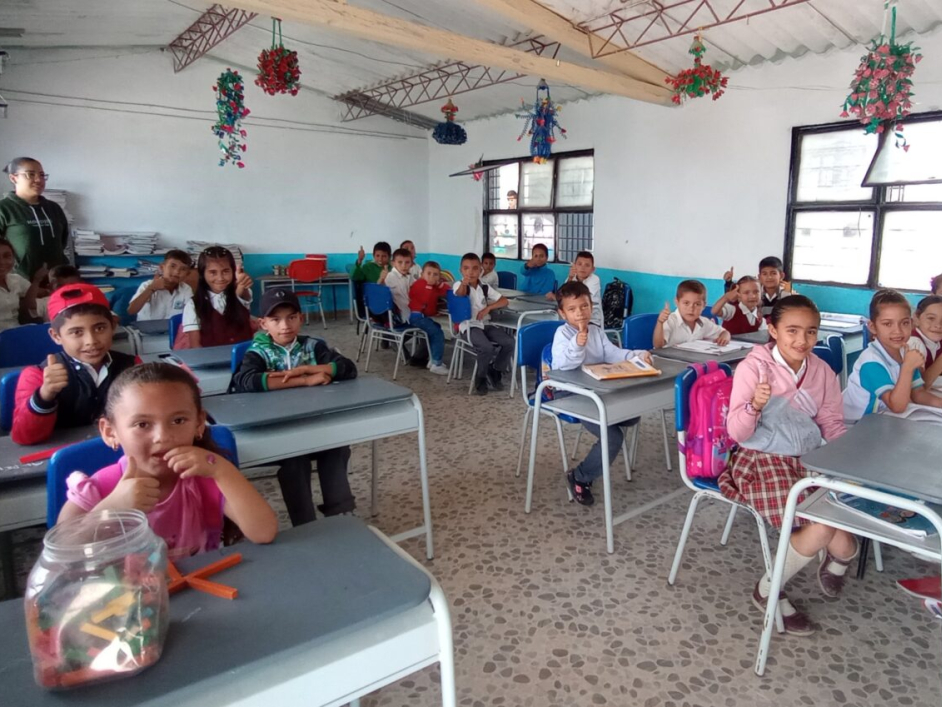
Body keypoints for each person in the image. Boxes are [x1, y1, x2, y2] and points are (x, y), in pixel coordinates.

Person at [718, 295, 856, 636]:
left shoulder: (821, 371)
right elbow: (737, 432)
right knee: (822, 527)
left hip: (807, 457)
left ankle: (832, 558)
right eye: (792, 330)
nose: (802, 340)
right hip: (759, 458)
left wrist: (846, 462)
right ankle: (767, 590)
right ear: (773, 330)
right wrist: (754, 406)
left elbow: (831, 422)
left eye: (811, 332)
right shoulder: (754, 368)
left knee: (846, 543)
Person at [58, 363, 277, 556]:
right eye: (142, 424)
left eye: (178, 420)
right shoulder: (100, 488)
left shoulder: (205, 477)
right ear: (109, 432)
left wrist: (222, 470)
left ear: (199, 423)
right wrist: (111, 510)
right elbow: (61, 553)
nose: (162, 437)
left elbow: (263, 532)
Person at [230, 288, 357, 527]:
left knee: (337, 447)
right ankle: (305, 525)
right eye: (275, 320)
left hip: (314, 426)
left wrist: (309, 368)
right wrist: (305, 380)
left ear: (300, 318)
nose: (285, 325)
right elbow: (246, 381)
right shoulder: (259, 352)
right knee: (294, 460)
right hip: (277, 431)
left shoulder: (312, 346)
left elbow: (347, 368)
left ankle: (341, 516)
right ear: (263, 324)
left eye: (291, 317)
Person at [551, 281, 651, 505]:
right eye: (572, 309)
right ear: (562, 313)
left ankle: (606, 433)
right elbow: (563, 366)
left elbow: (613, 354)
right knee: (613, 437)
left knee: (632, 415)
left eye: (584, 306)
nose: (580, 313)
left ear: (592, 306)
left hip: (595, 391)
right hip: (569, 393)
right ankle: (580, 476)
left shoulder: (595, 330)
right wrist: (577, 344)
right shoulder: (562, 334)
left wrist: (637, 355)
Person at [11, 283, 139, 445]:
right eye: (77, 332)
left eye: (100, 328)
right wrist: (45, 395)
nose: (91, 341)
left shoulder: (132, 367)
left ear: (113, 326)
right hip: (62, 455)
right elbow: (24, 437)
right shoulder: (38, 376)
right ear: (56, 336)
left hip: (120, 452)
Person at [843, 289, 942, 421]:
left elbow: (918, 393)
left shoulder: (905, 352)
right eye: (887, 324)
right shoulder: (871, 362)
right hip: (857, 424)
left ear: (912, 323)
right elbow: (897, 406)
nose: (898, 331)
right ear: (872, 327)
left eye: (904, 323)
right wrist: (907, 368)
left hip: (884, 418)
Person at [453, 252, 513, 395]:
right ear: (461, 271)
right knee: (486, 348)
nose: (470, 272)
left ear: (480, 270)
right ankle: (480, 378)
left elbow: (504, 300)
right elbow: (460, 294)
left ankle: (495, 370)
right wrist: (464, 283)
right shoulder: (459, 285)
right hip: (469, 326)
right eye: (466, 268)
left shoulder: (484, 287)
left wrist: (488, 308)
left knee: (510, 342)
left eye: (475, 268)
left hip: (485, 324)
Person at [0, 157, 70, 281]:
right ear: (13, 178)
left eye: (42, 175)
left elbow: (62, 241)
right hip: (20, 283)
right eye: (30, 174)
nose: (38, 180)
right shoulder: (4, 208)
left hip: (56, 281)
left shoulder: (54, 208)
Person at [181, 246, 253, 348]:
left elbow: (243, 295)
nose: (220, 278)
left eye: (226, 271)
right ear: (202, 274)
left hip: (244, 356)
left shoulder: (239, 292)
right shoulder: (193, 305)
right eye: (213, 272)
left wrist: (243, 283)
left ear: (233, 271)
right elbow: (195, 346)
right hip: (210, 357)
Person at [653, 279, 730, 348]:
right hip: (668, 359)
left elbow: (724, 332)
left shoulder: (704, 323)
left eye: (697, 304)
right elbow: (658, 346)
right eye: (686, 303)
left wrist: (725, 336)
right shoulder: (670, 321)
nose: (691, 308)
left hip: (692, 359)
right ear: (677, 302)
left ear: (704, 305)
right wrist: (660, 322)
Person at [408, 261, 450, 375]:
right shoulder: (419, 284)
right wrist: (430, 286)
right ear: (422, 274)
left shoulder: (433, 286)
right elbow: (425, 301)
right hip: (416, 317)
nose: (432, 277)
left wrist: (439, 284)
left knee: (437, 327)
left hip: (423, 317)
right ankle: (437, 364)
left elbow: (448, 291)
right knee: (437, 333)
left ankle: (432, 359)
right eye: (429, 273)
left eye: (435, 274)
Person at [128, 249, 193, 321]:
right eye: (172, 266)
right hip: (147, 327)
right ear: (162, 267)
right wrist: (151, 288)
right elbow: (131, 311)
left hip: (173, 327)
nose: (177, 271)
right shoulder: (147, 285)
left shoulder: (186, 289)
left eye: (183, 269)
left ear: (187, 274)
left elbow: (191, 313)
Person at [557, 251, 602, 327]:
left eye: (587, 265)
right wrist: (570, 278)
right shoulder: (572, 278)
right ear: (574, 266)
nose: (582, 268)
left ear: (593, 269)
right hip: (575, 317)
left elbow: (581, 298)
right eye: (579, 264)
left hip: (591, 319)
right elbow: (563, 293)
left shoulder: (595, 279)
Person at [907, 295, 942, 388]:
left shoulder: (936, 342)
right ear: (916, 319)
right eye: (931, 318)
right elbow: (918, 387)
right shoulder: (915, 343)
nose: (938, 325)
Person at [0, 238, 32, 331]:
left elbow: (37, 292)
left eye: (7, 256)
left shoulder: (15, 280)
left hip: (16, 333)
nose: (1, 262)